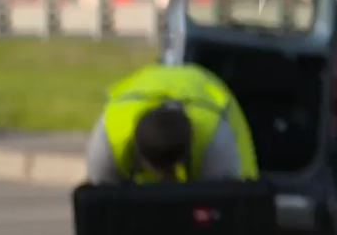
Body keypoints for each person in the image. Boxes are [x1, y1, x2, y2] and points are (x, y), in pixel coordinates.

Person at [84, 63, 259, 184]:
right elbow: (101, 203)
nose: (162, 178)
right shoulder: (109, 140)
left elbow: (227, 205)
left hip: (208, 100)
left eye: (168, 170)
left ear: (186, 154)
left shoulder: (214, 140)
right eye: (157, 171)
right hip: (142, 94)